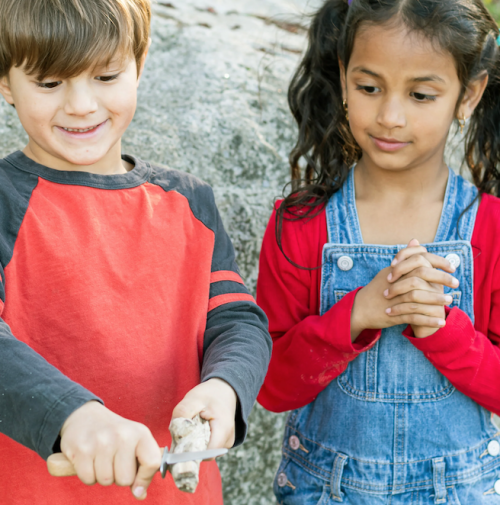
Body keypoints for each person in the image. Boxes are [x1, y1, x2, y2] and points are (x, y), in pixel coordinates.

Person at [0, 0, 271, 504]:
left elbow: (237, 320)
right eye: (50, 83)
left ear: (140, 64)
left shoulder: (191, 204)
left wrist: (226, 388)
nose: (81, 104)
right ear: (4, 80)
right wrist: (71, 415)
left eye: (105, 76)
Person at [257, 0, 500, 503]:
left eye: (420, 95)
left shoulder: (492, 228)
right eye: (369, 88)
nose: (390, 116)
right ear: (343, 77)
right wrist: (355, 315)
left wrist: (441, 329)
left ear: (468, 95)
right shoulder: (300, 224)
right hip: (324, 489)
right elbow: (272, 385)